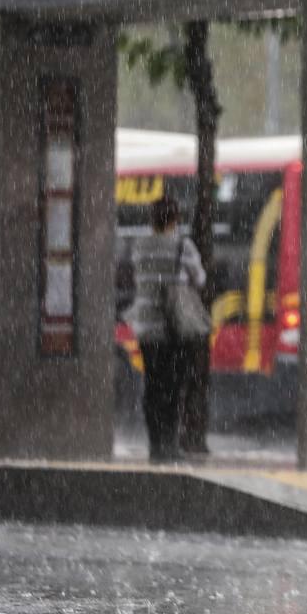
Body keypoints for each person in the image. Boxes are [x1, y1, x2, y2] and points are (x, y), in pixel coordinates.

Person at [124, 195, 206, 463]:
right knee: (173, 387)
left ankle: (155, 445)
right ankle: (169, 444)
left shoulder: (140, 245)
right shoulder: (184, 246)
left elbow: (138, 276)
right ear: (175, 218)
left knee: (153, 386)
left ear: (152, 218)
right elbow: (200, 279)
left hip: (147, 327)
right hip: (174, 326)